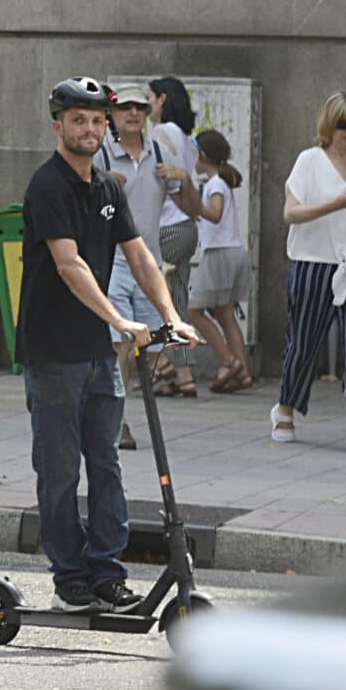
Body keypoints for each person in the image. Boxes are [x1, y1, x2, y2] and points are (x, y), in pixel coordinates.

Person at [18, 77, 199, 614]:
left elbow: (141, 256)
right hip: (53, 351)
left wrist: (170, 315)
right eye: (79, 120)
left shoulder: (107, 187)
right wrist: (120, 318)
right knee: (59, 471)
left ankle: (106, 574)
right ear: (59, 126)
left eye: (97, 121)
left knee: (106, 464)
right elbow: (70, 265)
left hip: (97, 354)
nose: (90, 129)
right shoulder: (47, 187)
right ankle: (69, 577)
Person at [270, 92, 346, 455]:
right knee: (303, 345)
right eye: (343, 124)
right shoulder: (309, 161)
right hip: (311, 263)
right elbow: (290, 214)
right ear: (329, 125)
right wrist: (339, 202)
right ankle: (285, 409)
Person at [98, 85, 200, 447]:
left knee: (150, 351)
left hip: (149, 264)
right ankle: (116, 422)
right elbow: (82, 208)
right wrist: (103, 188)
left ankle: (106, 407)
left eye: (139, 107)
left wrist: (185, 179)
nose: (132, 113)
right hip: (112, 264)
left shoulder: (159, 150)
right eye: (124, 107)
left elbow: (191, 209)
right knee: (120, 347)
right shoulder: (102, 156)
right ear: (112, 114)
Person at [146, 76, 205, 396]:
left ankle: (160, 365)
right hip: (186, 229)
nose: (145, 106)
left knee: (151, 299)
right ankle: (183, 376)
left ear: (162, 100)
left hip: (167, 227)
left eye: (149, 99)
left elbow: (155, 175)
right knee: (175, 306)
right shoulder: (184, 135)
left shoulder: (162, 132)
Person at [186, 129, 252, 396]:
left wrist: (193, 206)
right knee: (225, 314)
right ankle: (243, 373)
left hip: (220, 254)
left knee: (194, 311)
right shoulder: (220, 181)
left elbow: (214, 213)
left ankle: (228, 361)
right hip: (234, 252)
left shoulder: (215, 184)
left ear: (202, 155)